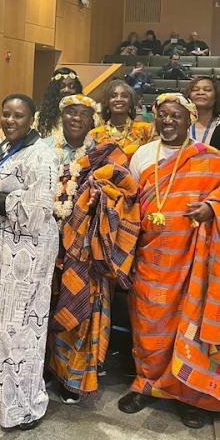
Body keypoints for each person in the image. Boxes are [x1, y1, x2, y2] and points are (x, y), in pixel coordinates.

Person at [119, 93, 220, 428]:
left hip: (192, 261)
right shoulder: (143, 155)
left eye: (176, 115)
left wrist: (211, 208)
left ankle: (187, 394)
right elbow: (128, 202)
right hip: (150, 256)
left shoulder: (209, 157)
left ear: (189, 118)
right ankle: (146, 384)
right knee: (148, 323)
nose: (168, 121)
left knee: (186, 327)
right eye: (162, 115)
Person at [45, 94, 140, 404]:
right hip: (49, 244)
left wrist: (96, 195)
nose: (76, 118)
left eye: (83, 114)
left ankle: (73, 379)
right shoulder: (46, 150)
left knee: (84, 312)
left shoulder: (103, 152)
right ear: (62, 117)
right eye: (70, 113)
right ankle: (48, 368)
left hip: (89, 249)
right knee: (49, 307)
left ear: (92, 121)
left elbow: (123, 190)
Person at [0, 94, 59, 430]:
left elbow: (39, 210)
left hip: (28, 250)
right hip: (1, 244)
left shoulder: (42, 154)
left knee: (19, 326)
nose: (11, 121)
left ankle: (23, 406)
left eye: (18, 115)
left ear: (31, 119)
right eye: (6, 114)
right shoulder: (4, 149)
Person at [89, 79, 154, 159]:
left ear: (131, 102)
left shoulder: (146, 130)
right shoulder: (95, 135)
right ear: (107, 102)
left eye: (124, 96)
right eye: (113, 96)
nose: (119, 99)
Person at [37, 68, 83, 138]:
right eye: (62, 86)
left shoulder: (87, 115)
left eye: (72, 86)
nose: (67, 90)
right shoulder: (41, 116)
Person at [186, 76, 220, 148]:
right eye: (195, 90)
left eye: (207, 90)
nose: (200, 93)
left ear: (216, 96)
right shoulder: (179, 124)